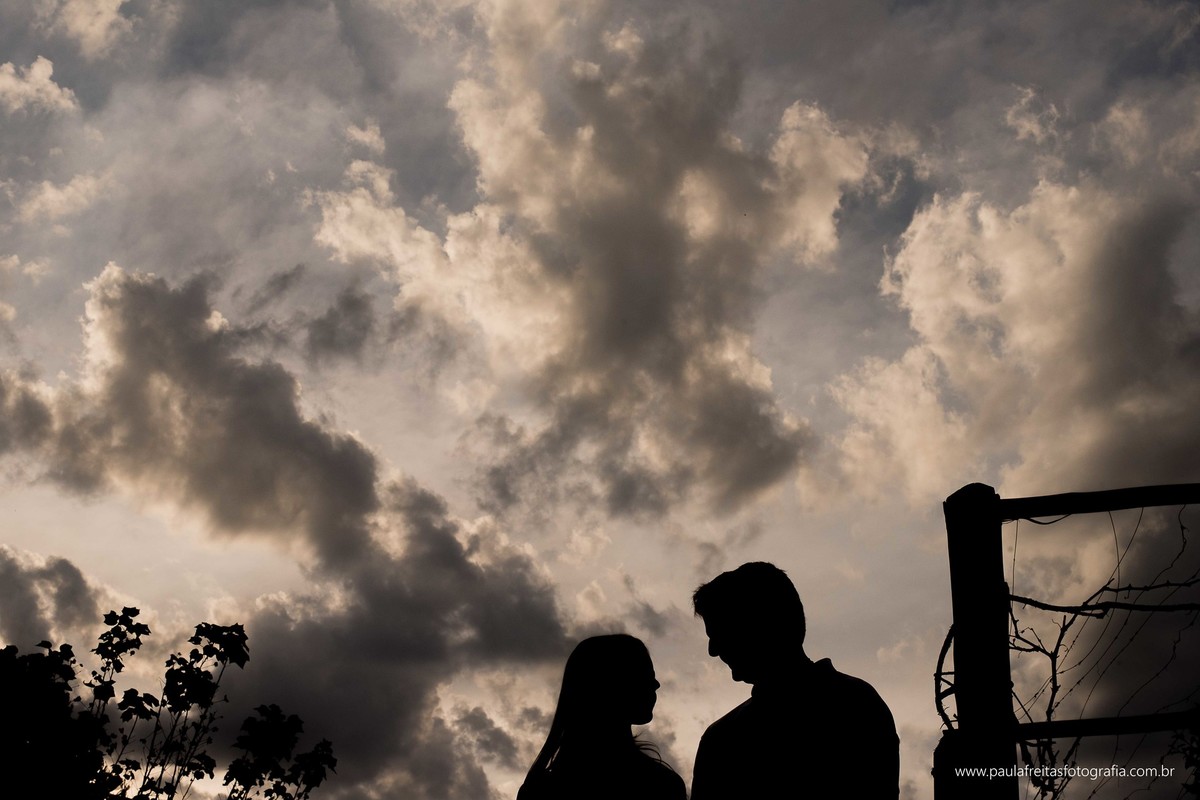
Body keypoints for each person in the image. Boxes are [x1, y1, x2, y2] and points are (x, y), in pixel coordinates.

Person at [691, 562, 899, 799]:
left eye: (720, 633)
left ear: (759, 627)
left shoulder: (722, 740)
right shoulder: (859, 702)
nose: (713, 650)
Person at [518, 634, 687, 800]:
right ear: (608, 686)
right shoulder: (661, 786)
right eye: (643, 674)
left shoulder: (539, 791)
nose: (656, 684)